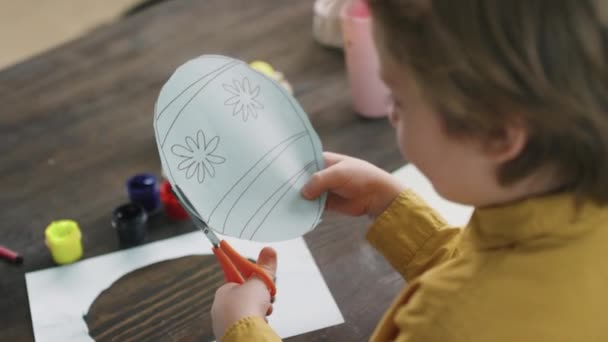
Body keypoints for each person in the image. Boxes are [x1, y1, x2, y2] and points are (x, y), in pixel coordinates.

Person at [211, 0, 608, 340]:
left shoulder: (444, 325)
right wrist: (392, 208)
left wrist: (241, 328)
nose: (390, 112)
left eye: (398, 98)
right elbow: (496, 273)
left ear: (497, 136)